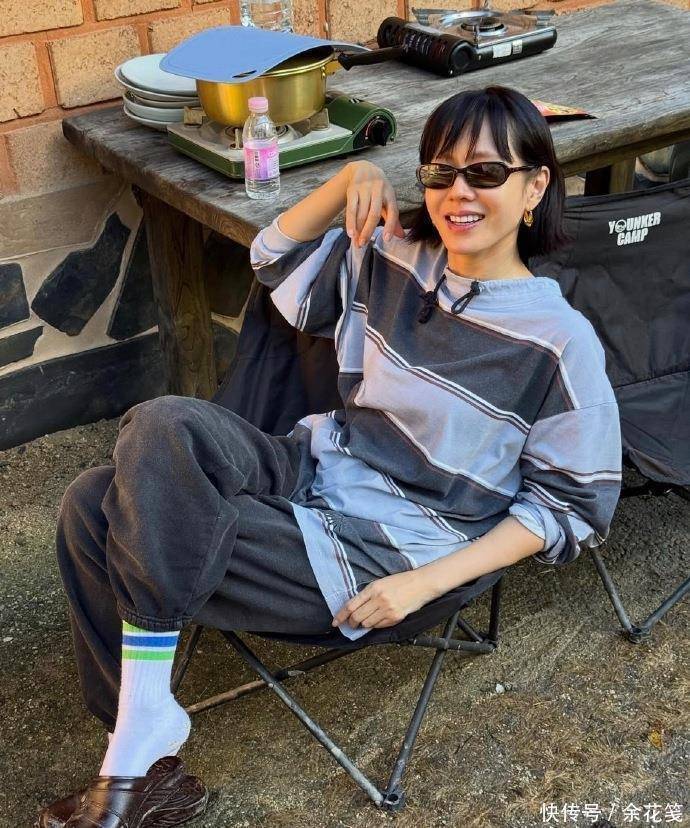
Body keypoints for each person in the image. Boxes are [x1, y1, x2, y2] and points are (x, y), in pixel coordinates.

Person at [41, 85, 622, 827]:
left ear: (535, 187)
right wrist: (349, 179)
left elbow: (571, 507)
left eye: (485, 173)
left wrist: (425, 584)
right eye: (439, 173)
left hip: (381, 554)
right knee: (160, 425)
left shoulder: (559, 342)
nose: (458, 193)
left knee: (97, 508)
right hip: (310, 469)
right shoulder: (394, 259)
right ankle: (141, 728)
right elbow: (271, 258)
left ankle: (134, 759)